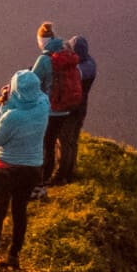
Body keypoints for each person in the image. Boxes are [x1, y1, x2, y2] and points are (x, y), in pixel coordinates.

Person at [0, 70, 49, 272]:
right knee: (20, 211)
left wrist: (4, 104)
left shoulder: (12, 116)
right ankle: (14, 256)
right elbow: (35, 97)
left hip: (6, 169)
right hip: (32, 169)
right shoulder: (43, 105)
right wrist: (12, 99)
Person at [40, 34, 84, 186]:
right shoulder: (76, 65)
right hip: (73, 106)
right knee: (69, 141)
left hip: (54, 108)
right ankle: (67, 173)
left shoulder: (51, 61)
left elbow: (37, 78)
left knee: (50, 142)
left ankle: (49, 176)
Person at [59, 34, 97, 183]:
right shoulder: (91, 64)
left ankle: (62, 174)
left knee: (64, 140)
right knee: (73, 140)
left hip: (70, 109)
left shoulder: (77, 70)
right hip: (82, 108)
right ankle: (70, 171)